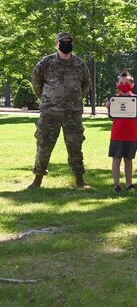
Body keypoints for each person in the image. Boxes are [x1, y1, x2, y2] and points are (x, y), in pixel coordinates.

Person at [28, 32, 91, 189]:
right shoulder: (46, 63)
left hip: (73, 114)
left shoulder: (79, 64)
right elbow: (36, 82)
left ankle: (80, 181)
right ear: (56, 44)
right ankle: (37, 181)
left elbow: (85, 84)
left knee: (75, 146)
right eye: (63, 41)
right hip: (50, 113)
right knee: (44, 146)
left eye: (69, 41)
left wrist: (75, 100)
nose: (66, 43)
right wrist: (47, 99)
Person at [106, 70, 137, 192]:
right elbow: (112, 117)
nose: (124, 84)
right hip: (117, 134)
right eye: (121, 82)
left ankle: (129, 184)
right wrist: (108, 107)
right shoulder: (114, 100)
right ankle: (116, 184)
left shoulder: (136, 99)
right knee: (116, 159)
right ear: (117, 84)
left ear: (132, 85)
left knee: (128, 160)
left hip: (131, 135)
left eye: (126, 82)